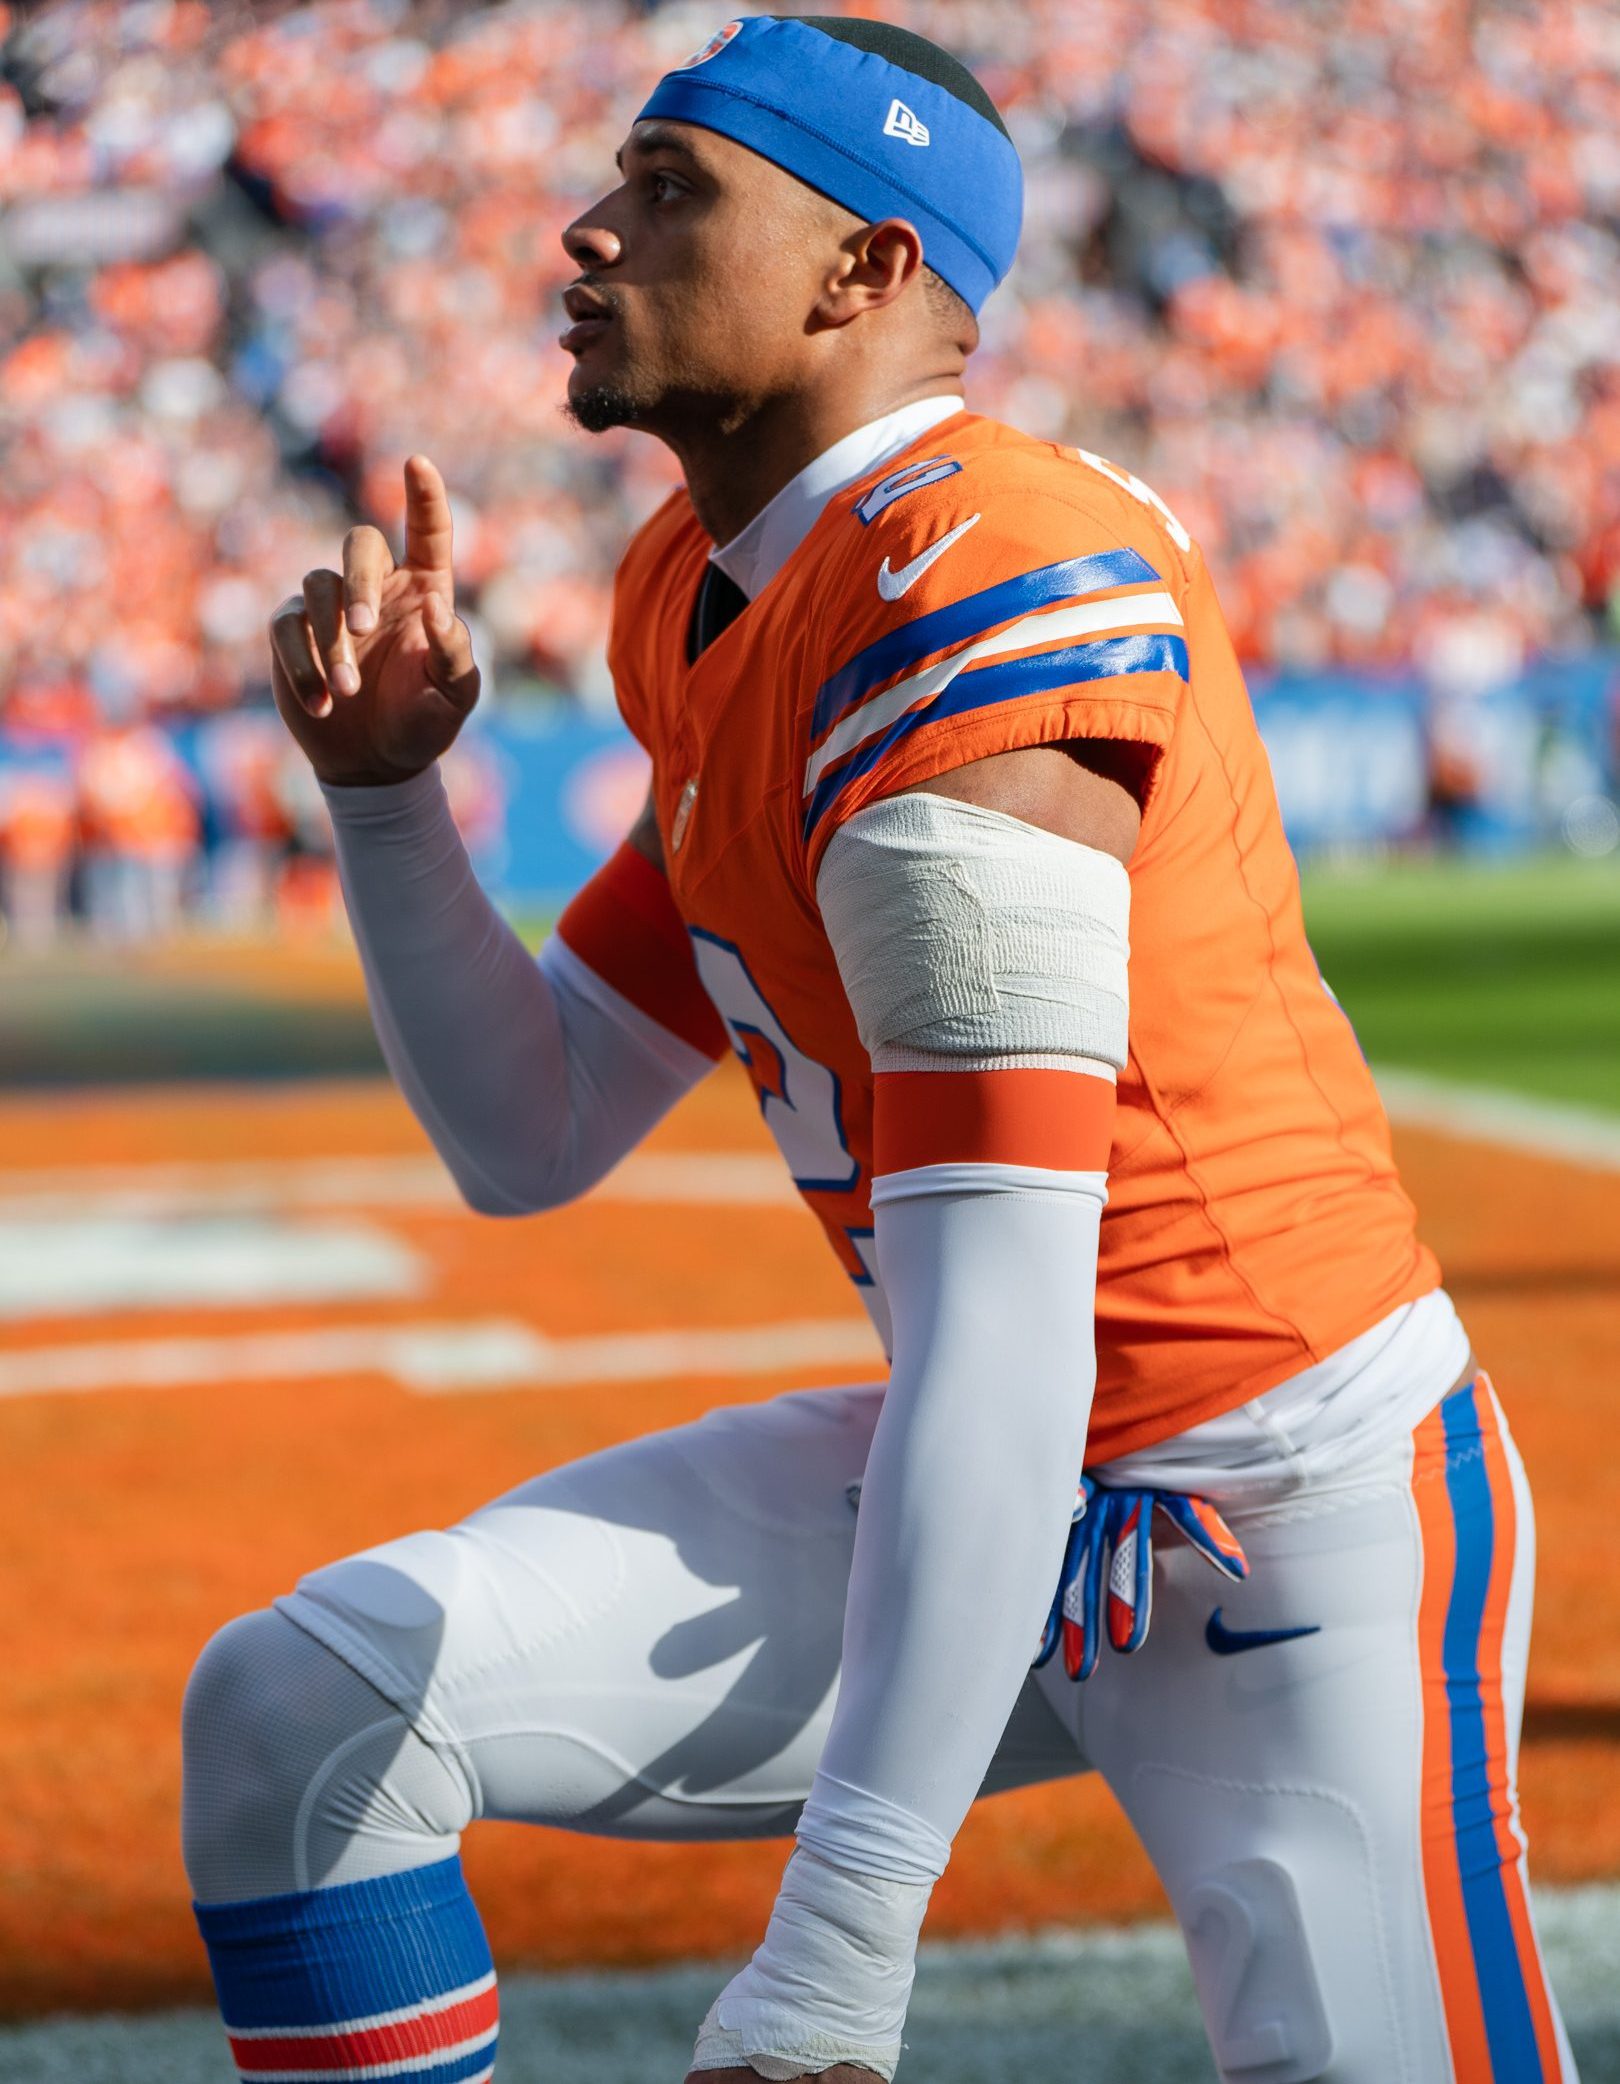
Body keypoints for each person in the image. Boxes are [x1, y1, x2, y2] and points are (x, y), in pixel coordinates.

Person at [180, 19, 1573, 2083]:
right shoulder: (702, 587)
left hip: (1277, 1500)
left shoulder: (979, 578)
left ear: (868, 267)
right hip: (987, 1465)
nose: (588, 227)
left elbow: (1012, 1330)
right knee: (300, 1718)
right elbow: (530, 1124)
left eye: (672, 189)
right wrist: (386, 803)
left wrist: (840, 1947)